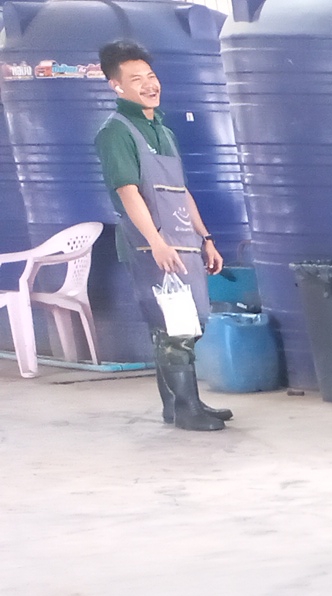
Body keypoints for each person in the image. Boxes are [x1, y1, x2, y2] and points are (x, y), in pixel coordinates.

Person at [93, 39, 229, 432]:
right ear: (116, 86)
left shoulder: (163, 130)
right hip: (152, 248)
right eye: (136, 79)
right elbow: (127, 192)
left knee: (187, 324)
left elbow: (180, 191)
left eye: (151, 76)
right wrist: (156, 241)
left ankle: (182, 404)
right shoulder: (115, 132)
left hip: (183, 243)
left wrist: (205, 238)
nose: (149, 85)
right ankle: (185, 409)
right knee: (174, 326)